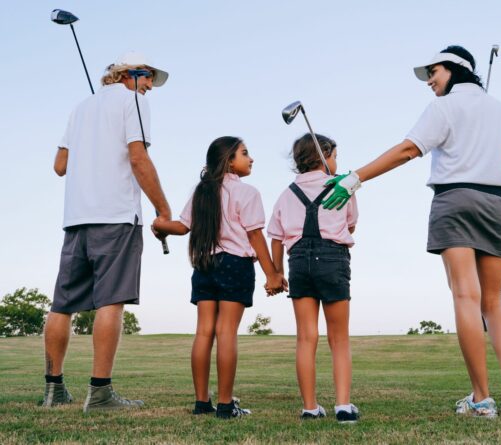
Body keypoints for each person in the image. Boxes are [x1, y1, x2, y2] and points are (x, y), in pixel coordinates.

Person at [322, 46, 501, 418]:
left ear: (455, 69)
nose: (430, 82)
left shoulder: (443, 108)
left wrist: (356, 178)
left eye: (433, 73)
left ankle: (482, 400)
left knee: (466, 299)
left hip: (455, 200)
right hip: (496, 203)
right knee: (493, 302)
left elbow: (408, 150)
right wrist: (484, 158)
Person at [43, 51, 171, 413]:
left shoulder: (81, 107)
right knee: (111, 301)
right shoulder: (134, 102)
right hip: (115, 216)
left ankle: (54, 391)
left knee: (62, 305)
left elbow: (60, 165)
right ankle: (99, 394)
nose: (149, 86)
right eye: (147, 77)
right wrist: (163, 209)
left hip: (76, 219)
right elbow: (138, 158)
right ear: (127, 74)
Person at [151, 136, 286, 419]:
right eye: (245, 153)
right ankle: (225, 405)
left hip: (204, 264)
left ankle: (202, 403)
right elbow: (254, 235)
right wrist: (272, 274)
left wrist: (161, 227)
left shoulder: (201, 191)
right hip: (235, 264)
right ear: (229, 161)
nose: (251, 159)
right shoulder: (247, 192)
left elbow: (182, 226)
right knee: (226, 333)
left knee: (203, 333)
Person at [267, 134, 360, 423]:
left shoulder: (286, 193)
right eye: (334, 156)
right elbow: (351, 226)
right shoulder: (343, 187)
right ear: (325, 155)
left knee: (306, 337)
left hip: (298, 263)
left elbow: (277, 238)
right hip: (332, 259)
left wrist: (278, 271)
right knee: (339, 338)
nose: (337, 162)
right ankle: (343, 406)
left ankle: (310, 407)